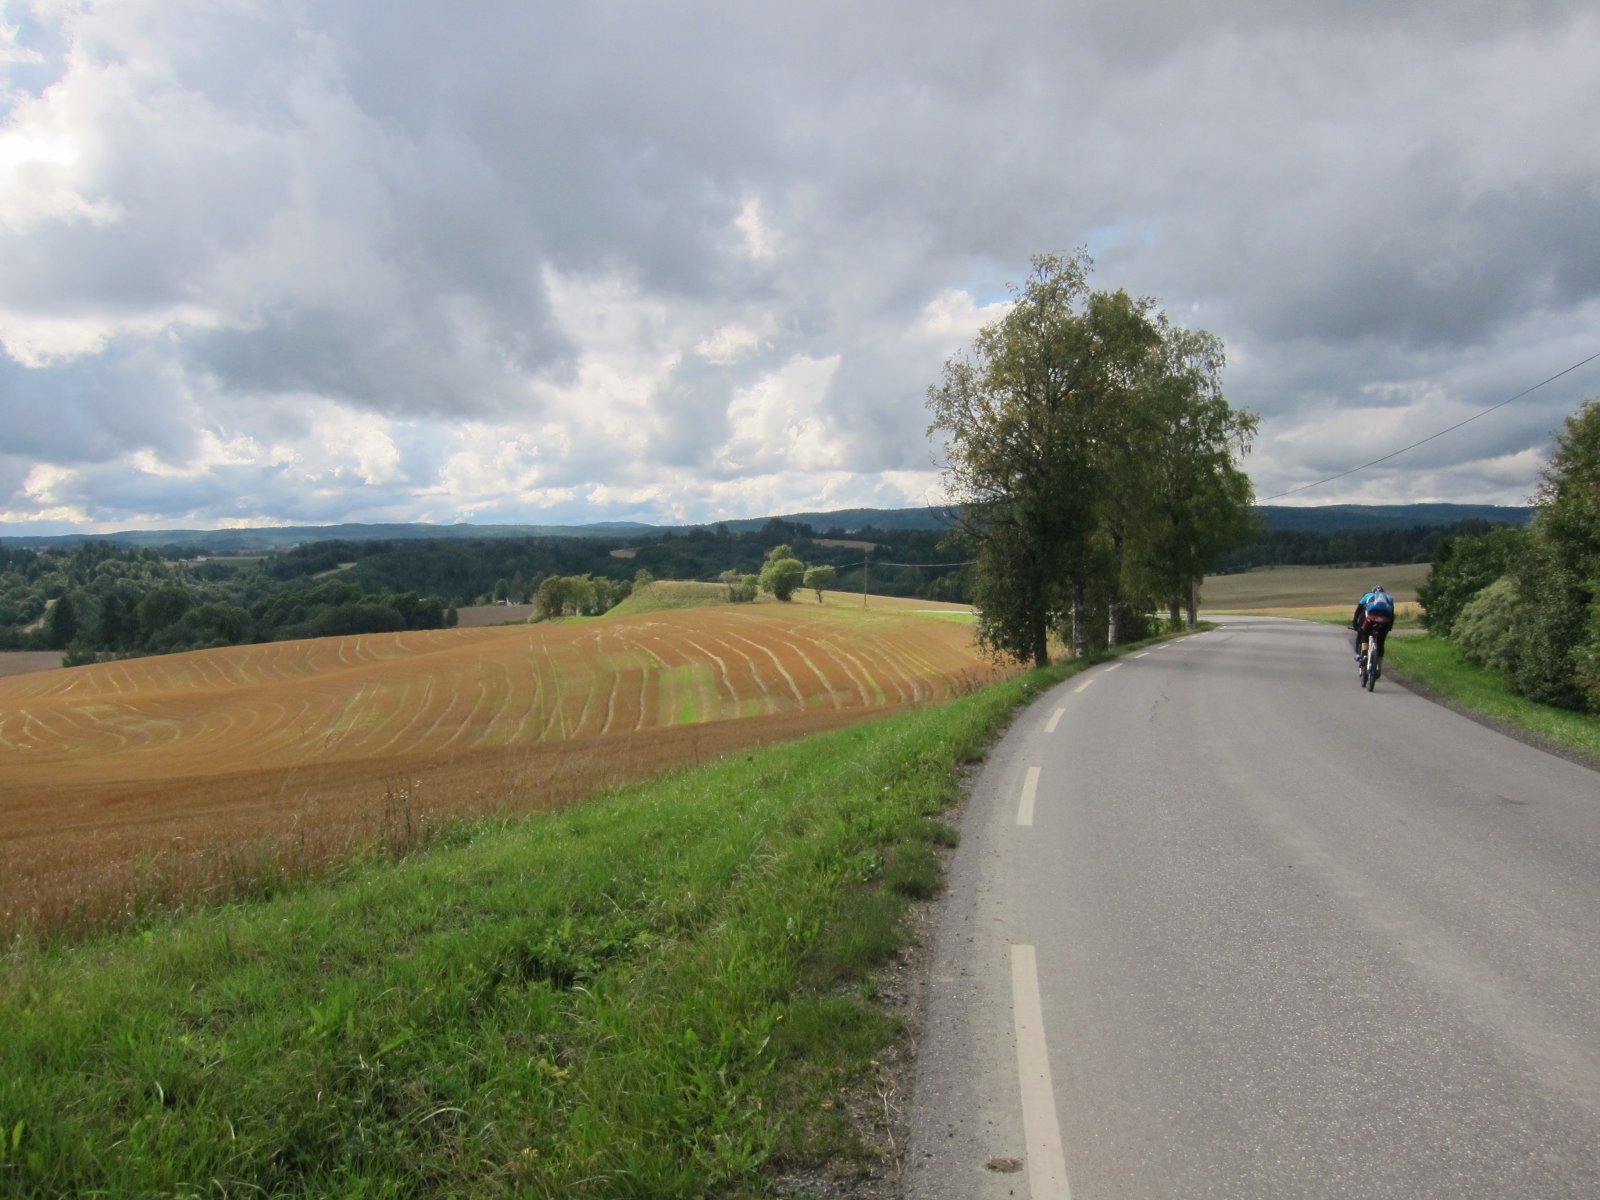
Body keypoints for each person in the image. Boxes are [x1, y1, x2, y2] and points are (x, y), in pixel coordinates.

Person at [1352, 584, 1396, 665]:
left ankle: (1364, 654)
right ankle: (1378, 665)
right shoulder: (1389, 597)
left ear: (1373, 591)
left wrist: (1354, 623)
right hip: (1385, 620)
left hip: (1371, 618)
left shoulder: (1368, 595)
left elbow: (1358, 610)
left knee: (1364, 634)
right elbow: (1392, 614)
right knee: (1381, 642)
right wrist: (1390, 626)